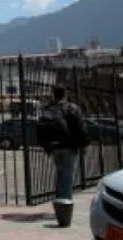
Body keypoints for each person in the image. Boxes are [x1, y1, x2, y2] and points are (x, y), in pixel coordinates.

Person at [37, 84, 90, 226]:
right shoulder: (72, 108)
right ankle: (64, 211)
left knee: (60, 175)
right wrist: (84, 145)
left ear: (53, 94)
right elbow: (81, 128)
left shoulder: (48, 109)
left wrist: (47, 147)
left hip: (54, 147)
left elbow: (41, 130)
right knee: (66, 177)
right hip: (68, 147)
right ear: (65, 94)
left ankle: (59, 205)